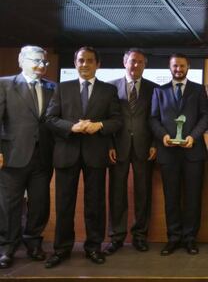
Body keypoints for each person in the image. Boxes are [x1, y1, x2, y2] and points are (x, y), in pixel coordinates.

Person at [45, 47, 122, 268]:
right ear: (75, 63)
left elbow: (117, 121)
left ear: (98, 64)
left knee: (95, 205)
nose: (85, 64)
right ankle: (61, 249)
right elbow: (50, 119)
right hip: (66, 153)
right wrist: (72, 127)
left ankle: (93, 248)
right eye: (81, 60)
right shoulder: (62, 88)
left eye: (90, 61)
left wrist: (100, 125)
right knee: (64, 204)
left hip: (95, 154)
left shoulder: (108, 90)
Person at [0, 46, 55, 269]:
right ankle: (7, 247)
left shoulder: (53, 87)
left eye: (45, 63)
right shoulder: (4, 84)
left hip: (43, 156)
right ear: (21, 60)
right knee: (9, 204)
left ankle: (33, 243)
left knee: (40, 203)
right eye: (37, 61)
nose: (42, 66)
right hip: (12, 155)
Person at [150, 53, 208, 256]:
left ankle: (190, 238)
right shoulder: (159, 91)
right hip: (168, 152)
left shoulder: (199, 90)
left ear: (188, 67)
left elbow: (205, 117)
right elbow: (153, 119)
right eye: (175, 66)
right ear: (170, 67)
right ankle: (173, 238)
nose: (178, 69)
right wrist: (163, 136)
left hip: (193, 152)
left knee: (193, 198)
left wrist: (193, 136)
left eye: (182, 66)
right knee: (171, 198)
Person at [104, 49, 158, 255]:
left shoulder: (154, 89)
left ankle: (140, 236)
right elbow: (107, 117)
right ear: (124, 62)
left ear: (145, 65)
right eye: (133, 62)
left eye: (140, 62)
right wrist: (109, 144)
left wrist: (155, 143)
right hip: (118, 147)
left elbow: (156, 118)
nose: (136, 66)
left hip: (145, 148)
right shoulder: (110, 87)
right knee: (117, 193)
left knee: (143, 193)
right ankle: (116, 236)